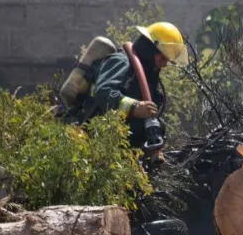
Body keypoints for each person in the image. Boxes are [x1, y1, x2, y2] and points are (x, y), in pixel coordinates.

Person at [63, 22, 187, 154]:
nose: (164, 65)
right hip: (88, 137)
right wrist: (134, 107)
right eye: (163, 58)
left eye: (167, 61)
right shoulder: (121, 61)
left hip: (115, 149)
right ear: (150, 49)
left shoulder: (145, 76)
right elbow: (103, 93)